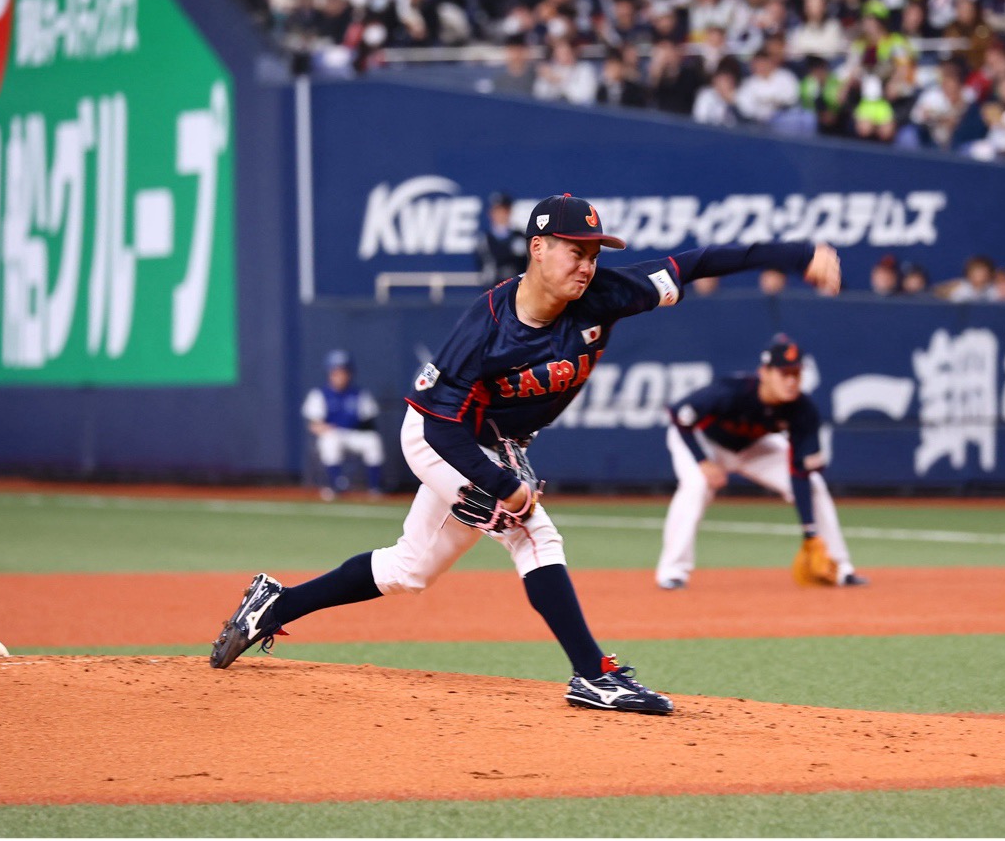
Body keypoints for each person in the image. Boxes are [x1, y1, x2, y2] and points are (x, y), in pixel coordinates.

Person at [211, 194, 843, 717]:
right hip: (439, 437)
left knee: (409, 570)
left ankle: (275, 603)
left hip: (493, 443)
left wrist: (797, 255)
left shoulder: (608, 296)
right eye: (576, 250)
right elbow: (439, 432)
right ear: (538, 248)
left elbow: (698, 261)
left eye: (594, 252)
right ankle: (593, 673)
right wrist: (501, 484)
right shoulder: (483, 328)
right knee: (533, 534)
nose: (587, 264)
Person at [656, 334, 864, 591]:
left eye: (796, 374)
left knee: (814, 484)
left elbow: (799, 472)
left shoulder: (802, 410)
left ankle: (840, 567)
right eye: (783, 373)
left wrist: (810, 532)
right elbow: (680, 415)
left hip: (752, 447)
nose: (791, 381)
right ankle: (673, 571)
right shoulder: (732, 391)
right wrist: (702, 462)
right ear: (764, 373)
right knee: (696, 486)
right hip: (702, 442)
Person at [302, 351, 385, 499]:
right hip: (332, 434)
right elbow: (313, 425)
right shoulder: (320, 394)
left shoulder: (359, 394)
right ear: (330, 373)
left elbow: (369, 422)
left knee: (373, 440)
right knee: (330, 440)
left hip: (353, 434)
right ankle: (335, 486)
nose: (340, 375)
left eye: (344, 371)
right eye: (336, 371)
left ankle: (375, 488)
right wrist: (326, 428)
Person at [475, 192, 528, 286]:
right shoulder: (485, 240)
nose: (501, 215)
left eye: (504, 211)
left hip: (518, 288)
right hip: (494, 289)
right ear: (491, 213)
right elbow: (485, 266)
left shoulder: (520, 237)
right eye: (497, 211)